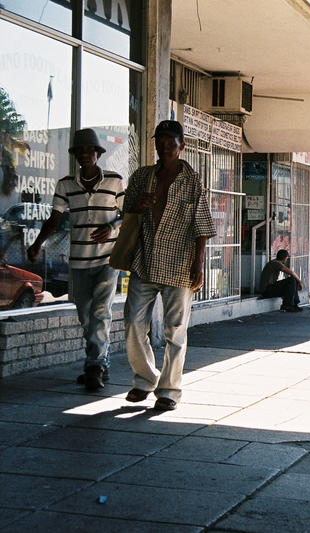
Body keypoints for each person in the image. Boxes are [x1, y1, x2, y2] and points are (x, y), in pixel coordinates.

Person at [122, 120, 216, 411]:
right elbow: (126, 212)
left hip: (179, 264)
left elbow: (202, 226)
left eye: (170, 143)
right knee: (133, 322)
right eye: (159, 142)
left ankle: (169, 390)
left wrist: (199, 264)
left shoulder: (192, 180)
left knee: (175, 330)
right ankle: (145, 379)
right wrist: (138, 205)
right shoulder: (142, 176)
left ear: (181, 145)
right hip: (145, 260)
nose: (164, 148)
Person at [27, 128, 124, 391]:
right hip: (79, 261)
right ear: (75, 155)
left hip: (107, 259)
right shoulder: (65, 184)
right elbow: (54, 219)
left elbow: (127, 214)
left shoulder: (115, 181)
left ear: (98, 153)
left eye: (89, 150)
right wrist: (36, 244)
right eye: (80, 151)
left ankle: (94, 367)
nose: (85, 154)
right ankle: (99, 363)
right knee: (85, 316)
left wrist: (111, 226)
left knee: (100, 312)